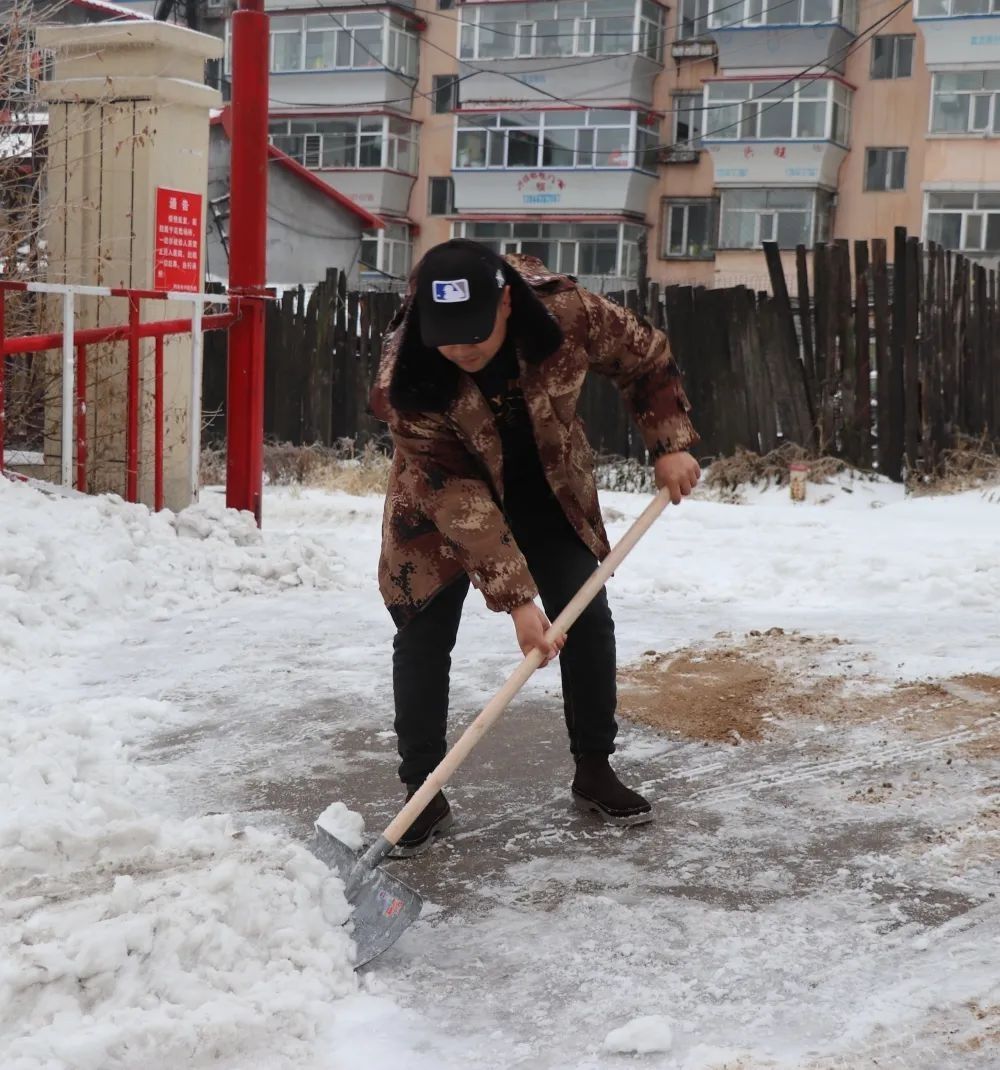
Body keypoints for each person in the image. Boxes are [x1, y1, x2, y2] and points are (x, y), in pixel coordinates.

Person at [370, 239, 701, 856]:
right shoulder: (407, 377)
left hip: (548, 486)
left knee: (588, 615)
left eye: (474, 330)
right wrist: (520, 601)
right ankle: (422, 789)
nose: (462, 348)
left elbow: (645, 355)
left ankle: (594, 765)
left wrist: (670, 441)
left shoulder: (567, 313)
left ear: (504, 303)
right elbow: (458, 500)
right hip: (440, 498)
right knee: (422, 635)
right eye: (447, 334)